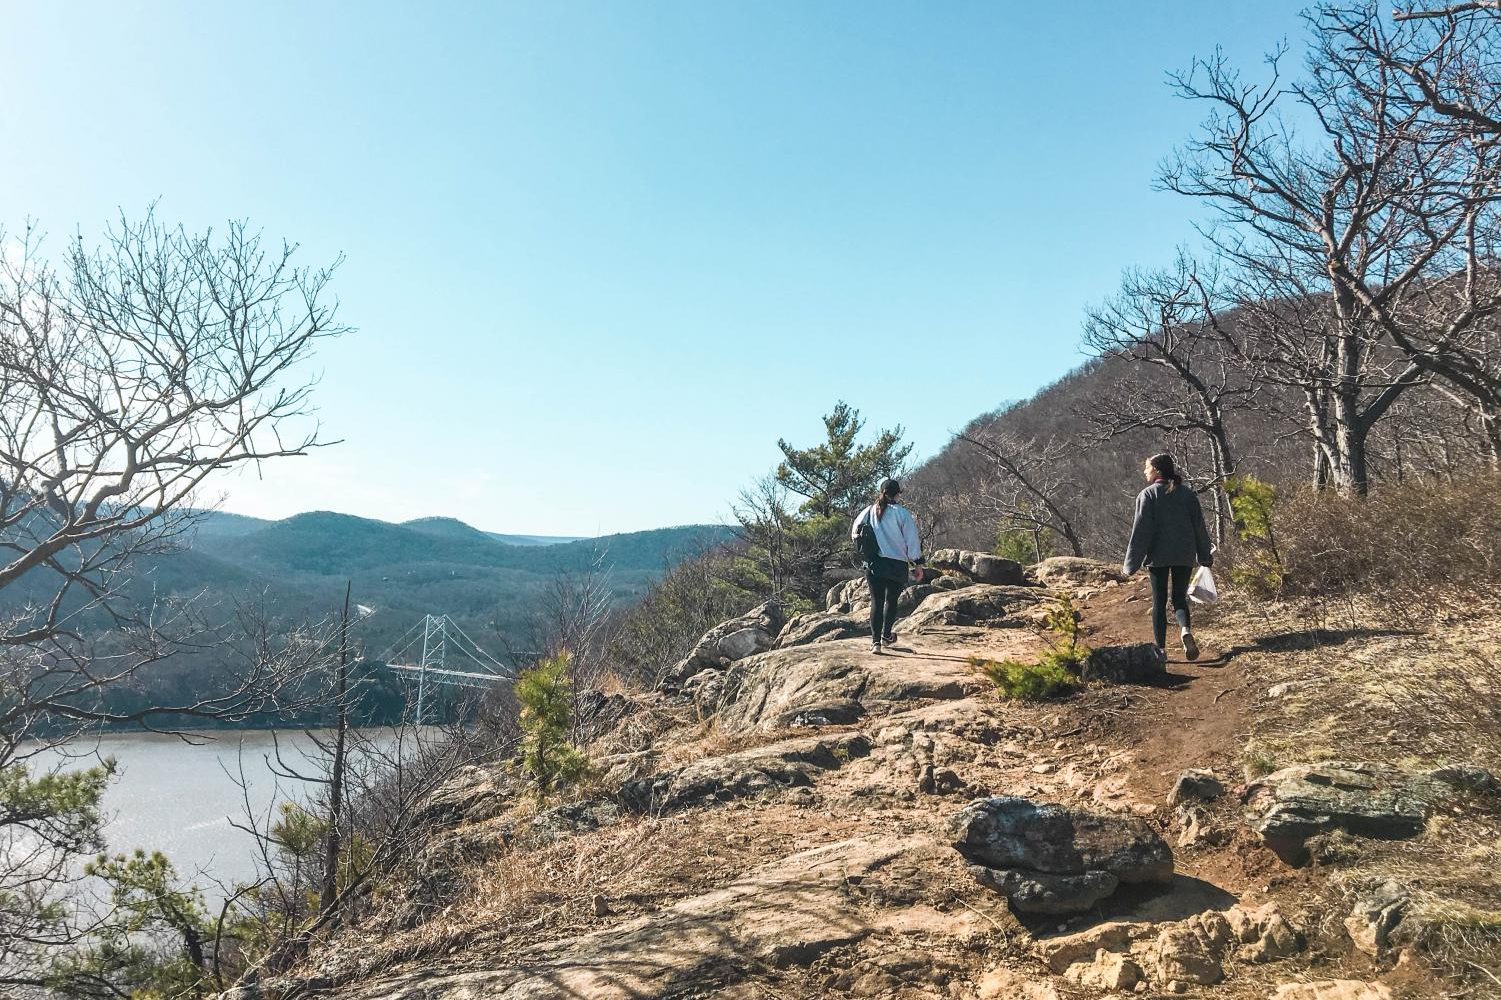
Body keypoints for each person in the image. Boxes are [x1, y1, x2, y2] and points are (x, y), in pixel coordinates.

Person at [1123, 453, 1214, 661]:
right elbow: (1199, 526)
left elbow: (1141, 531)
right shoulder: (1187, 495)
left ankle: (1161, 650)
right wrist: (1204, 555)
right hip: (1185, 553)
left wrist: (1131, 563)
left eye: (1147, 468)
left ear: (1156, 470)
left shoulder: (1148, 495)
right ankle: (1185, 630)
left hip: (1158, 555)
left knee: (1159, 601)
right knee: (1179, 599)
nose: (1145, 471)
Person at [851, 478, 925, 654]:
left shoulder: (868, 511)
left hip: (874, 562)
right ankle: (886, 635)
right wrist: (917, 564)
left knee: (876, 601)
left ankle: (875, 642)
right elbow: (911, 540)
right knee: (891, 601)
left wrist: (867, 548)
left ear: (881, 492)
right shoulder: (902, 514)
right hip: (897, 563)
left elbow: (855, 532)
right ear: (897, 494)